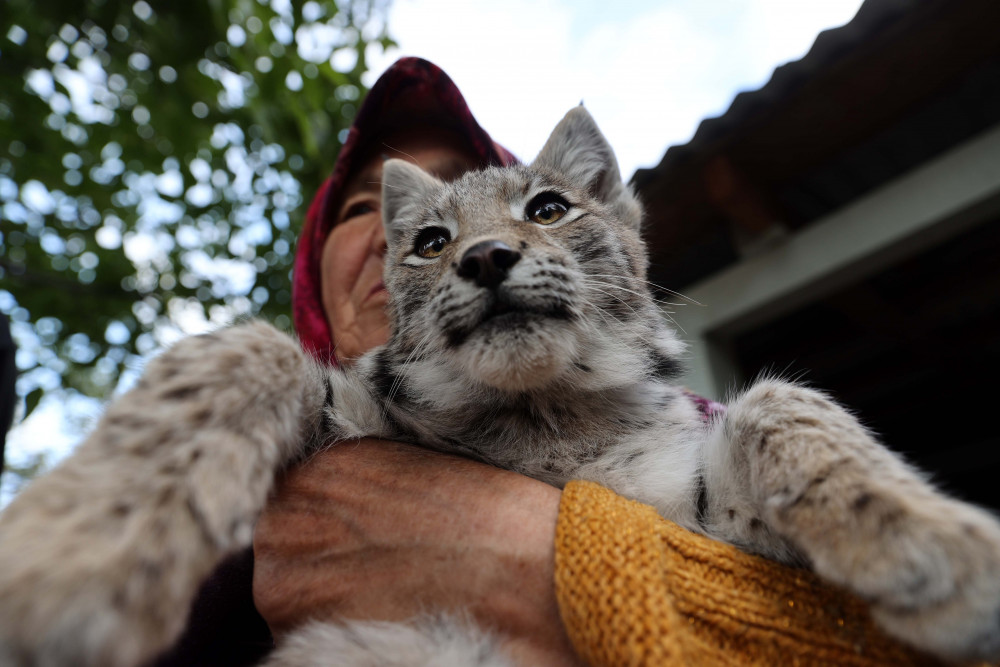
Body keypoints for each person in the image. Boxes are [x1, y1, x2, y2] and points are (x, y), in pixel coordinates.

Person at [159, 58, 941, 665]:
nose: (479, 244)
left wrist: (563, 564)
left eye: (532, 208)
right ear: (313, 268)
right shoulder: (214, 496)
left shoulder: (715, 440)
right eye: (404, 224)